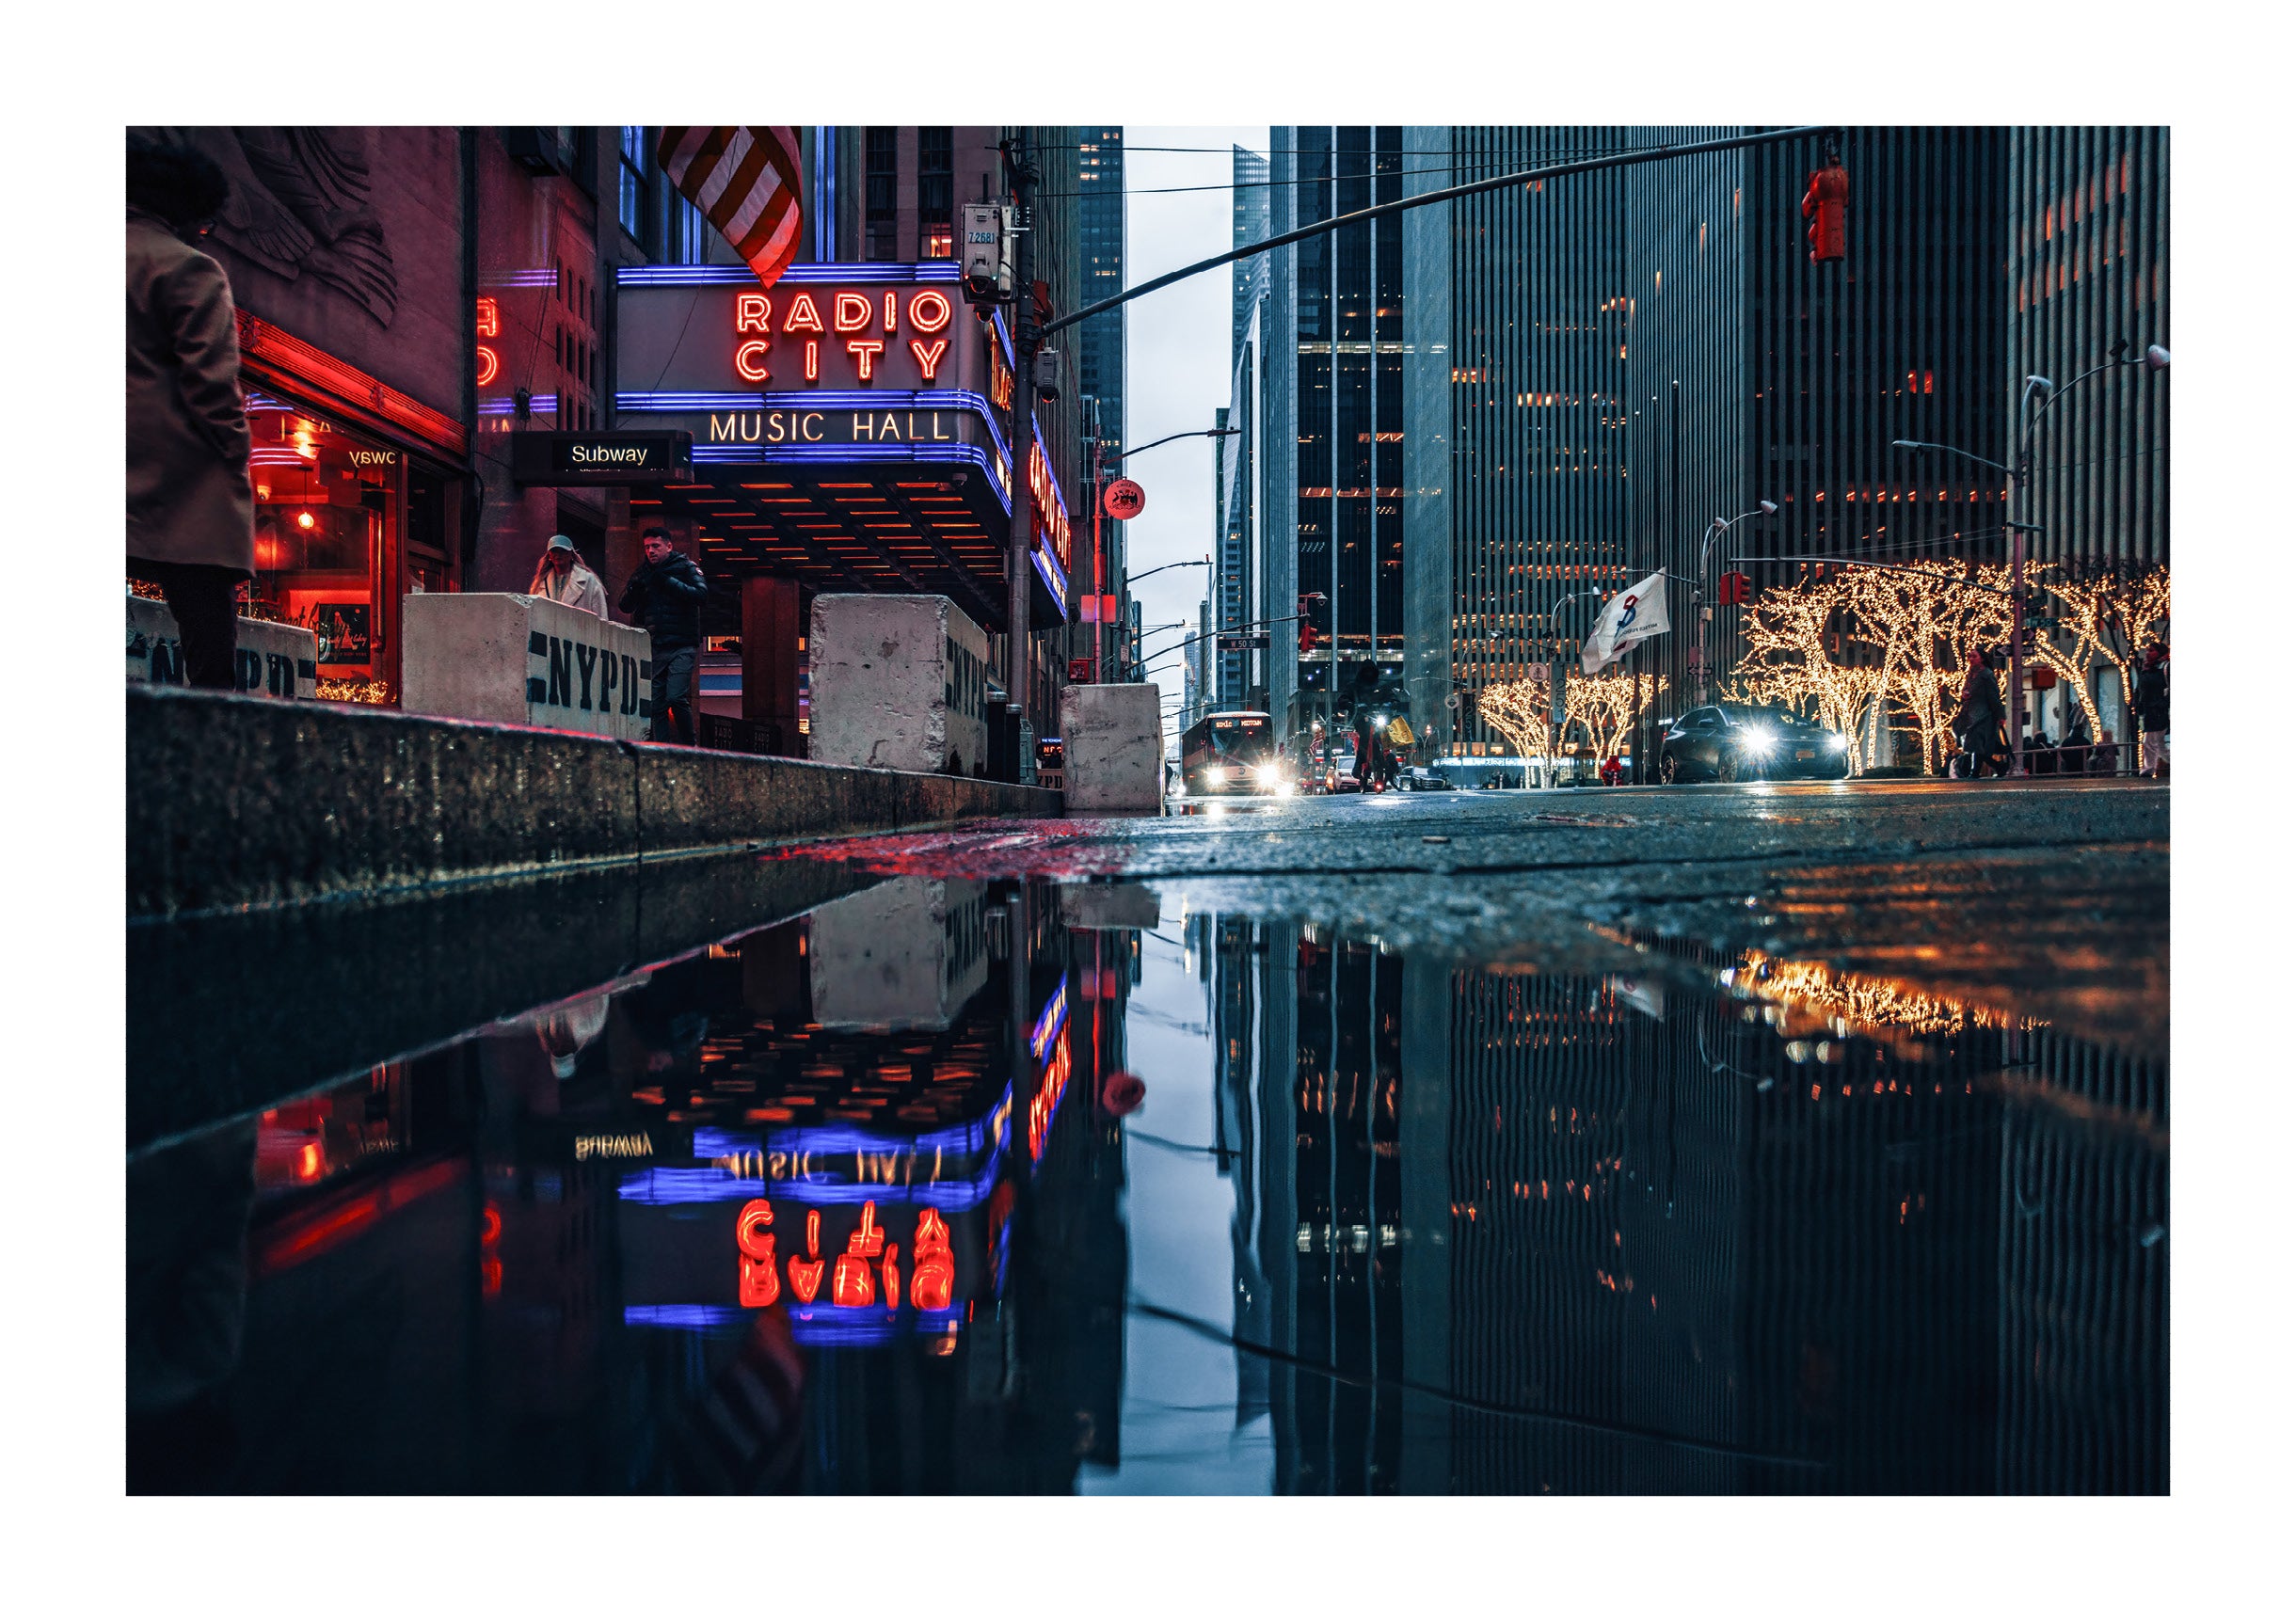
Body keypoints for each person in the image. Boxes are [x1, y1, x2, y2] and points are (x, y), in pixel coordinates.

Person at [126, 131, 252, 691]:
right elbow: (211, 386)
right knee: (208, 643)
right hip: (178, 479)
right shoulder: (189, 270)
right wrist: (235, 452)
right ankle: (213, 734)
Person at [618, 527, 710, 744]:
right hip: (657, 644)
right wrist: (634, 589)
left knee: (676, 697)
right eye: (647, 547)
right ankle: (661, 747)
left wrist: (667, 581)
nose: (650, 551)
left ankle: (689, 745)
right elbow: (624, 605)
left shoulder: (686, 567)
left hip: (682, 643)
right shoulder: (643, 572)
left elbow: (701, 595)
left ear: (669, 546)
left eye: (655, 546)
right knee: (656, 704)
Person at [1953, 648, 2008, 778]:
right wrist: (1963, 696)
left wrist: (2000, 715)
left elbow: (1994, 696)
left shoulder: (1987, 675)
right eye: (1969, 656)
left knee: (1976, 742)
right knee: (1975, 743)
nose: (1971, 659)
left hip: (1983, 715)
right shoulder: (1971, 675)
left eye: (1974, 656)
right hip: (1970, 713)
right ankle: (1997, 767)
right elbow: (1966, 692)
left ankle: (1975, 772)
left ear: (1982, 658)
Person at [529, 533, 608, 616]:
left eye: (563, 551)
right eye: (554, 551)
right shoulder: (540, 582)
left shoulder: (589, 580)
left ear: (571, 555)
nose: (558, 555)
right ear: (549, 555)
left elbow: (601, 616)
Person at [2134, 643, 2170, 778]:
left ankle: (2148, 770)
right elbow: (2141, 690)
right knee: (2160, 745)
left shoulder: (2165, 668)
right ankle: (2149, 768)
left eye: (2151, 650)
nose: (2148, 653)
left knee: (2149, 742)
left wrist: (2163, 703)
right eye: (2148, 650)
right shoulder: (2146, 668)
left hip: (2159, 710)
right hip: (2149, 710)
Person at [2061, 707, 2093, 776]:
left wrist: (2067, 759)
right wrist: (2084, 758)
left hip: (2069, 764)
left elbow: (2062, 752)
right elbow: (2090, 751)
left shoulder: (2067, 741)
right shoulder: (2085, 741)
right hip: (2081, 764)